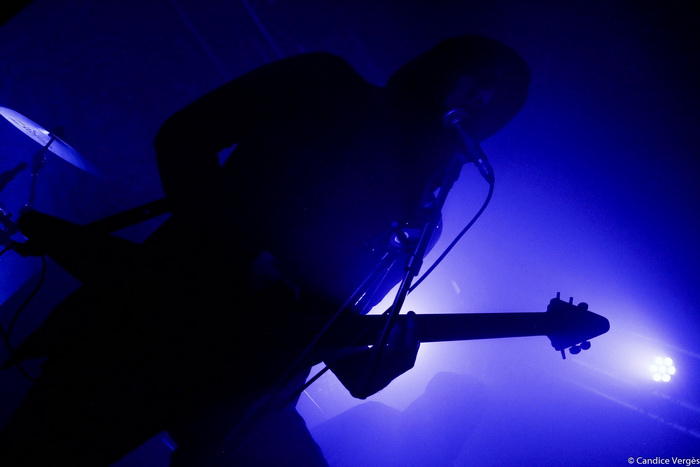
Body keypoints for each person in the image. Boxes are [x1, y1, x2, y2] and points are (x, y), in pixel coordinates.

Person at [0, 34, 529, 465]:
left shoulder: (421, 219)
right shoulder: (325, 83)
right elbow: (184, 136)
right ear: (439, 64)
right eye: (481, 76)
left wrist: (371, 370)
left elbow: (324, 322)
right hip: (154, 327)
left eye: (502, 100)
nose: (483, 99)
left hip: (246, 388)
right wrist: (235, 251)